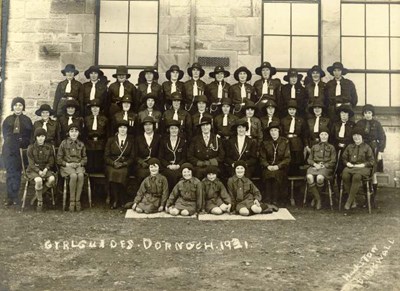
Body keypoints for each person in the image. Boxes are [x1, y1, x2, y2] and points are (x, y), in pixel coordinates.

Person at [2, 97, 33, 206]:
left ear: (23, 107)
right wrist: (13, 140)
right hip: (10, 150)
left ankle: (15, 196)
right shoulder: (8, 119)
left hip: (21, 150)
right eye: (16, 105)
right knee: (10, 172)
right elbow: (6, 135)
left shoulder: (27, 120)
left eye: (20, 105)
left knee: (18, 172)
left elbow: (30, 136)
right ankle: (10, 197)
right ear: (13, 107)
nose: (18, 107)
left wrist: (23, 141)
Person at [355, 104, 386, 205]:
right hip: (363, 149)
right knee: (365, 172)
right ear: (363, 114)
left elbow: (382, 138)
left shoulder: (377, 124)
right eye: (365, 113)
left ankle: (372, 199)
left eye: (369, 113)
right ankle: (366, 197)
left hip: (374, 149)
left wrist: (380, 151)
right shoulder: (359, 123)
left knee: (373, 174)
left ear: (372, 113)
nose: (367, 115)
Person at [341, 125, 375, 210]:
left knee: (357, 177)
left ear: (362, 137)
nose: (356, 137)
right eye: (354, 136)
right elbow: (344, 158)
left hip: (363, 168)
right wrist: (347, 163)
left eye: (358, 136)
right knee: (345, 175)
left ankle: (349, 202)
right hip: (351, 167)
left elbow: (372, 161)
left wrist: (363, 165)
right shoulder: (349, 146)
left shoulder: (367, 147)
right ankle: (353, 201)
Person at [104, 119, 135, 209]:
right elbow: (106, 156)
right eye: (120, 127)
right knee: (113, 172)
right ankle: (115, 199)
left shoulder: (131, 140)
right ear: (117, 129)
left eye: (125, 127)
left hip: (124, 165)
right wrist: (113, 163)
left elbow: (132, 157)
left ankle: (122, 198)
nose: (122, 129)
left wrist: (125, 163)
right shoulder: (111, 140)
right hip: (112, 164)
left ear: (127, 129)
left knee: (122, 173)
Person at [57, 123, 87, 211]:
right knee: (73, 176)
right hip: (67, 166)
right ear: (68, 133)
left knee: (80, 175)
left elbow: (85, 158)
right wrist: (67, 164)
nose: (74, 133)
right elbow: (59, 159)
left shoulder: (81, 144)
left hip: (78, 166)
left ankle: (78, 201)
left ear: (79, 133)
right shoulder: (64, 143)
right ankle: (72, 201)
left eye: (76, 131)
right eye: (71, 131)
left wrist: (80, 163)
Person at [259, 122, 291, 206]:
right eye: (271, 130)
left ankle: (275, 199)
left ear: (279, 131)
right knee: (268, 174)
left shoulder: (285, 141)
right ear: (269, 132)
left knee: (276, 175)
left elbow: (287, 158)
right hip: (268, 167)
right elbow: (262, 158)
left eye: (275, 130)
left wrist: (278, 166)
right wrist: (267, 166)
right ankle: (268, 199)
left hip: (280, 167)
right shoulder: (265, 143)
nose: (273, 132)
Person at [306, 127, 336, 210]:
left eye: (325, 134)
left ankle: (316, 199)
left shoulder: (331, 147)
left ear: (328, 136)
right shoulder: (314, 147)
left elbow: (333, 161)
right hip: (314, 166)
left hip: (326, 168)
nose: (323, 136)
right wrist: (315, 164)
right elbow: (309, 159)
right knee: (309, 177)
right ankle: (318, 199)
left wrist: (324, 165)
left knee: (319, 178)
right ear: (319, 136)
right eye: (322, 134)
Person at [26, 128, 56, 211]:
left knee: (52, 179)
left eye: (42, 136)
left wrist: (46, 169)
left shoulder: (48, 147)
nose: (40, 138)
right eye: (38, 136)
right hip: (33, 170)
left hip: (45, 169)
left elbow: (51, 161)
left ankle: (36, 196)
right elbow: (31, 164)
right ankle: (40, 201)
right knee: (39, 180)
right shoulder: (31, 148)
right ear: (35, 137)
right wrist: (38, 171)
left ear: (45, 137)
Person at [280, 100, 308, 175]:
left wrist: (306, 145)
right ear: (287, 110)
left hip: (297, 142)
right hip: (287, 141)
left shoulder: (301, 120)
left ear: (296, 110)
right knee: (288, 159)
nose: (291, 111)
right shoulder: (283, 120)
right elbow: (281, 133)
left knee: (297, 160)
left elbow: (304, 134)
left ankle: (296, 181)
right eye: (290, 109)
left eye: (293, 109)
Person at [330, 104, 355, 187]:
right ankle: (338, 189)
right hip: (337, 150)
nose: (344, 116)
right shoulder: (335, 125)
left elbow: (354, 139)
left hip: (348, 150)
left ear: (349, 115)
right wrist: (336, 146)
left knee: (347, 169)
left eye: (346, 114)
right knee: (337, 168)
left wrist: (347, 147)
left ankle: (346, 190)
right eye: (342, 113)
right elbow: (332, 138)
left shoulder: (352, 125)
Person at [159, 119, 188, 190]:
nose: (174, 130)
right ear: (169, 130)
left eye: (176, 128)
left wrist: (178, 165)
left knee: (177, 175)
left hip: (179, 166)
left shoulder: (183, 141)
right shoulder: (164, 141)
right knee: (170, 175)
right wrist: (168, 165)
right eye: (172, 128)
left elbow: (184, 157)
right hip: (167, 167)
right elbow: (160, 157)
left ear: (178, 130)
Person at [134, 116, 162, 183]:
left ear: (153, 126)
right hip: (142, 165)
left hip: (155, 165)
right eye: (145, 125)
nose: (148, 127)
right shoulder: (138, 138)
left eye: (150, 124)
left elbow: (160, 154)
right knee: (142, 174)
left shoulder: (159, 138)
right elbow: (135, 155)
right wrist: (141, 162)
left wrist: (154, 163)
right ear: (143, 127)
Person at [84, 99, 108, 173]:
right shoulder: (86, 119)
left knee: (99, 166)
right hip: (89, 143)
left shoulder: (104, 119)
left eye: (97, 107)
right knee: (90, 166)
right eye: (93, 107)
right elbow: (84, 132)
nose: (95, 109)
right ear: (90, 109)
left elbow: (107, 133)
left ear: (99, 109)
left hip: (100, 143)